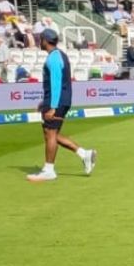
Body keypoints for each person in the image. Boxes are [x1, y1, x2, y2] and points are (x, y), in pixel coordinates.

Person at [25, 28, 96, 182]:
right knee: (50, 133)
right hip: (56, 100)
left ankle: (49, 170)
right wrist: (45, 103)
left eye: (40, 39)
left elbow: (56, 83)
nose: (39, 42)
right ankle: (84, 154)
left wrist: (53, 106)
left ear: (45, 40)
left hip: (57, 101)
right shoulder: (58, 55)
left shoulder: (54, 58)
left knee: (50, 134)